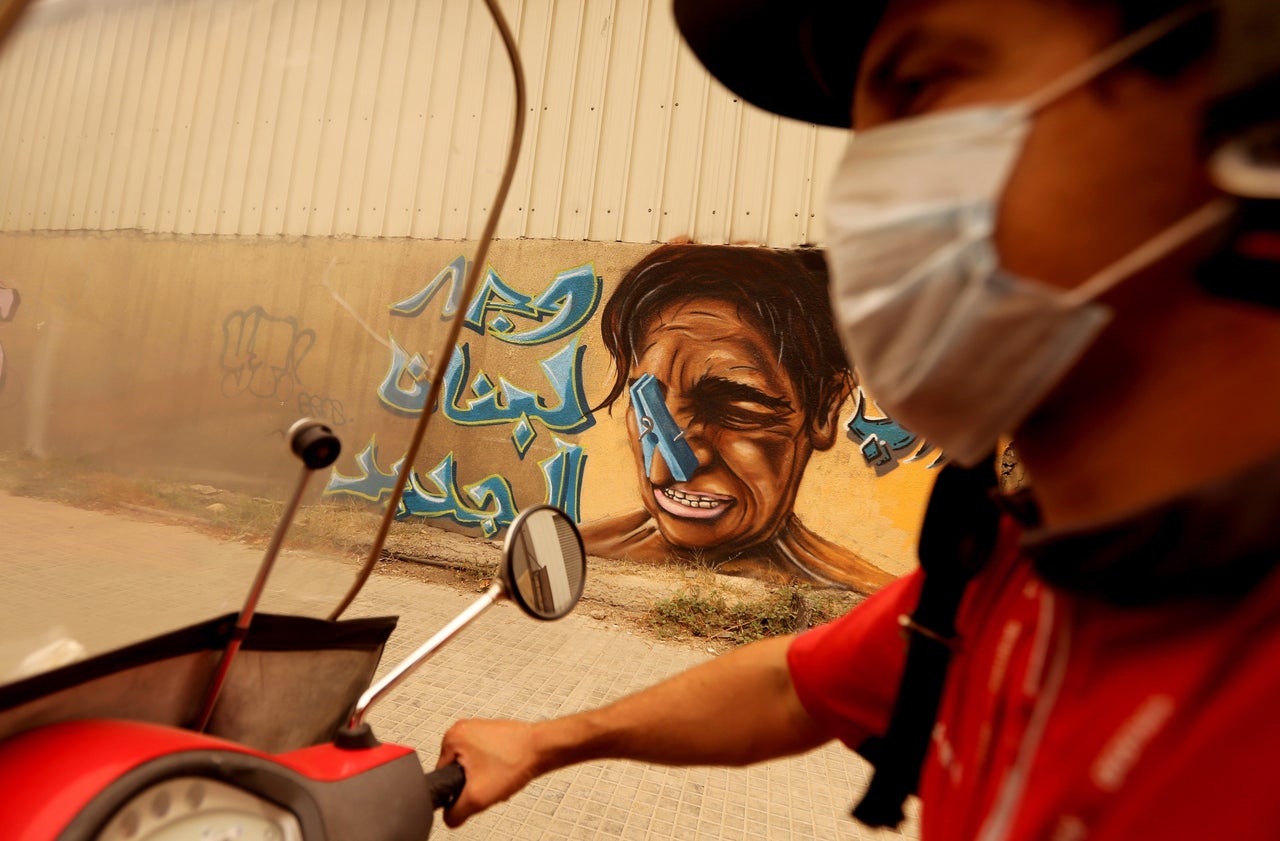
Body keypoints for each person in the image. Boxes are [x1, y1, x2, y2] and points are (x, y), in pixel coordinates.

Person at [437, 0, 1280, 837]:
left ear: (1251, 101)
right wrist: (545, 740)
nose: (862, 202)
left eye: (921, 85)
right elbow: (785, 686)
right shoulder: (1004, 584)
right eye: (863, 141)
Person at [579, 242, 893, 592]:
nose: (662, 469)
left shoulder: (873, 600)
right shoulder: (574, 553)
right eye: (648, 407)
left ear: (825, 409)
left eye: (731, 409)